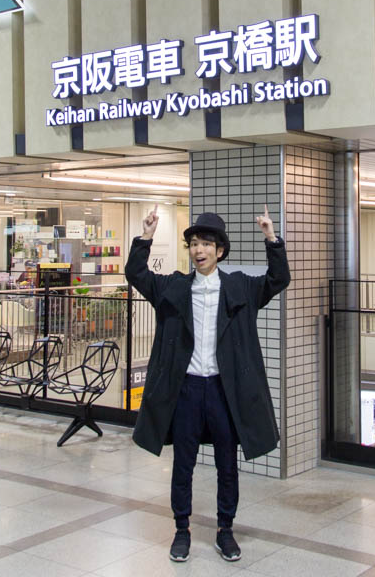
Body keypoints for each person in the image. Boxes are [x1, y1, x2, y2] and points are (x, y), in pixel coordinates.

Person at [124, 204, 290, 563]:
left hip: (222, 391)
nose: (198, 250)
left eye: (206, 244)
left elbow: (278, 279)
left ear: (220, 251)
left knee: (227, 465)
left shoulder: (240, 287)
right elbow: (136, 273)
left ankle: (225, 530)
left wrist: (271, 238)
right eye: (194, 244)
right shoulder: (174, 287)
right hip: (186, 389)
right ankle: (181, 530)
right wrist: (146, 236)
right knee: (183, 464)